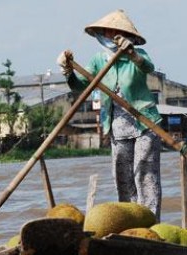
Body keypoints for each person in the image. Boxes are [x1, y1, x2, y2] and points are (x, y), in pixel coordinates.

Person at [56, 9, 163, 221]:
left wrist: (131, 53)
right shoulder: (98, 60)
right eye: (107, 32)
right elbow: (80, 87)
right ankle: (130, 221)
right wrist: (68, 71)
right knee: (122, 177)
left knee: (144, 174)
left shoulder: (137, 56)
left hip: (144, 124)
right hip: (117, 127)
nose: (111, 36)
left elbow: (148, 67)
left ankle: (150, 221)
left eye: (116, 32)